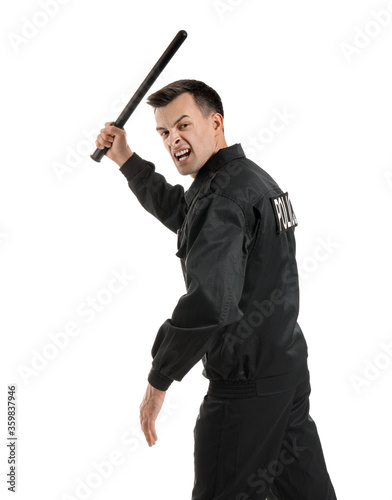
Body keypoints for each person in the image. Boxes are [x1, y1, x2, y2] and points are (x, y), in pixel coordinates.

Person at [95, 80, 338, 499]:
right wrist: (127, 160)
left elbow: (210, 303)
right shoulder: (247, 179)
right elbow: (186, 215)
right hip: (285, 375)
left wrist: (159, 378)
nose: (174, 140)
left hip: (245, 393)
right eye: (164, 133)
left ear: (216, 122)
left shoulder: (223, 197)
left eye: (183, 125)